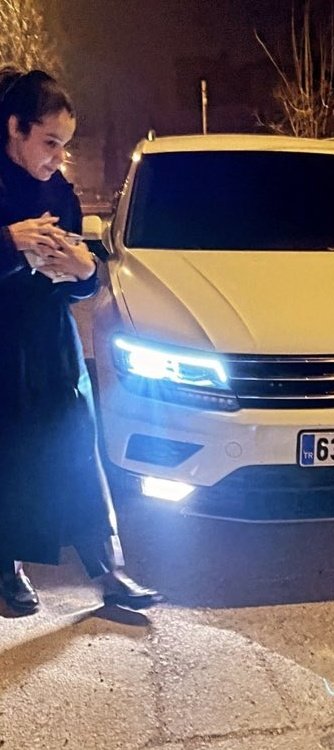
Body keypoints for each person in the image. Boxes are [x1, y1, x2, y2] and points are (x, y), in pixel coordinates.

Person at [0, 66, 162, 615]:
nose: (57, 158)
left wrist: (83, 269)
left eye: (64, 145)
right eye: (49, 142)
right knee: (9, 455)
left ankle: (109, 570)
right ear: (15, 127)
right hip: (2, 344)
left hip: (52, 342)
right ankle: (7, 566)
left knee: (77, 449)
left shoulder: (59, 192)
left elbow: (83, 279)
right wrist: (9, 242)